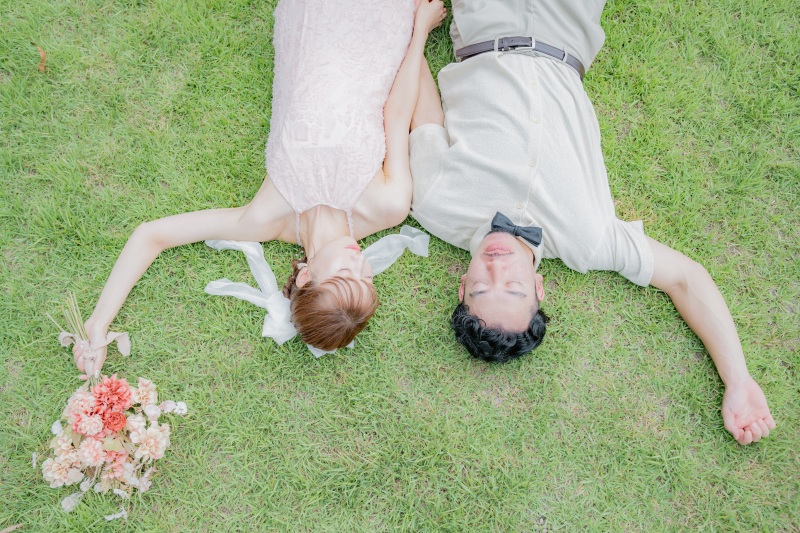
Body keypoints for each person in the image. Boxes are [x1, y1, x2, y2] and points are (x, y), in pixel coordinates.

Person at [408, 0, 775, 445]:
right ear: (539, 288)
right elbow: (685, 278)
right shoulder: (589, 239)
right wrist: (737, 379)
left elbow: (422, 106)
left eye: (483, 287)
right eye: (515, 288)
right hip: (567, 27)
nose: (497, 267)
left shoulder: (435, 203)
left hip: (488, 22)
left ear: (462, 286)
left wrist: (417, 33)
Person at [73, 0, 447, 373]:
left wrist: (97, 324)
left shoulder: (267, 219)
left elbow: (152, 235)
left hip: (311, 24)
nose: (360, 261)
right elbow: (397, 112)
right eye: (366, 277)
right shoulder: (389, 206)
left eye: (345, 274)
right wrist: (419, 32)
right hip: (377, 31)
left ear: (306, 276)